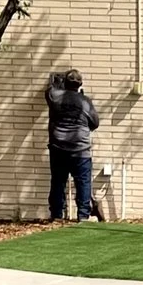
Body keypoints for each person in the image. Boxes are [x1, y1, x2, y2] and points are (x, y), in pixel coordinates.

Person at [46, 69, 101, 222]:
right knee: (83, 182)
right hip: (80, 149)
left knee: (58, 181)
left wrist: (56, 82)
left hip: (58, 148)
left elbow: (49, 91)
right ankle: (83, 216)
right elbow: (95, 123)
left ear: (65, 83)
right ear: (80, 85)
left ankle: (57, 215)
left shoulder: (55, 96)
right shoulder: (85, 101)